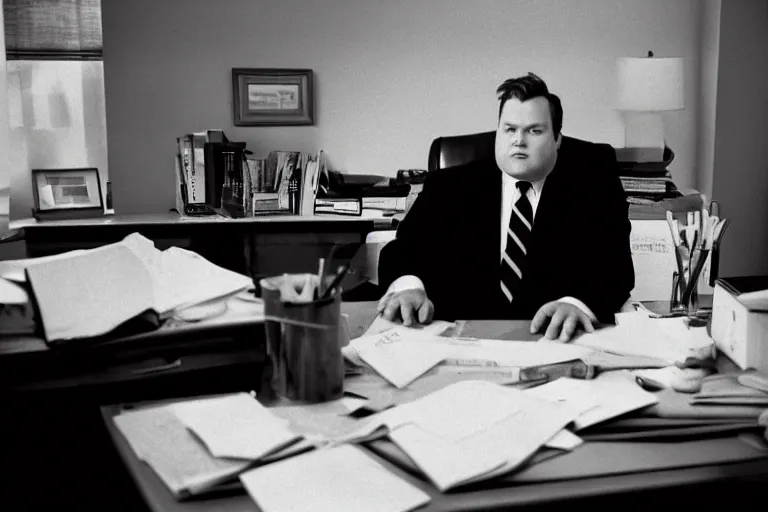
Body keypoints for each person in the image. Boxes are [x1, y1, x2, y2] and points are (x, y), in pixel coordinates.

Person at [377, 72, 634, 342]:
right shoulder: (449, 185)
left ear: (557, 138)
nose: (518, 140)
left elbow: (616, 269)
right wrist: (409, 287)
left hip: (553, 343)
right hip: (457, 347)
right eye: (509, 129)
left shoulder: (594, 189)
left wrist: (577, 303)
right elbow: (401, 250)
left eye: (534, 130)